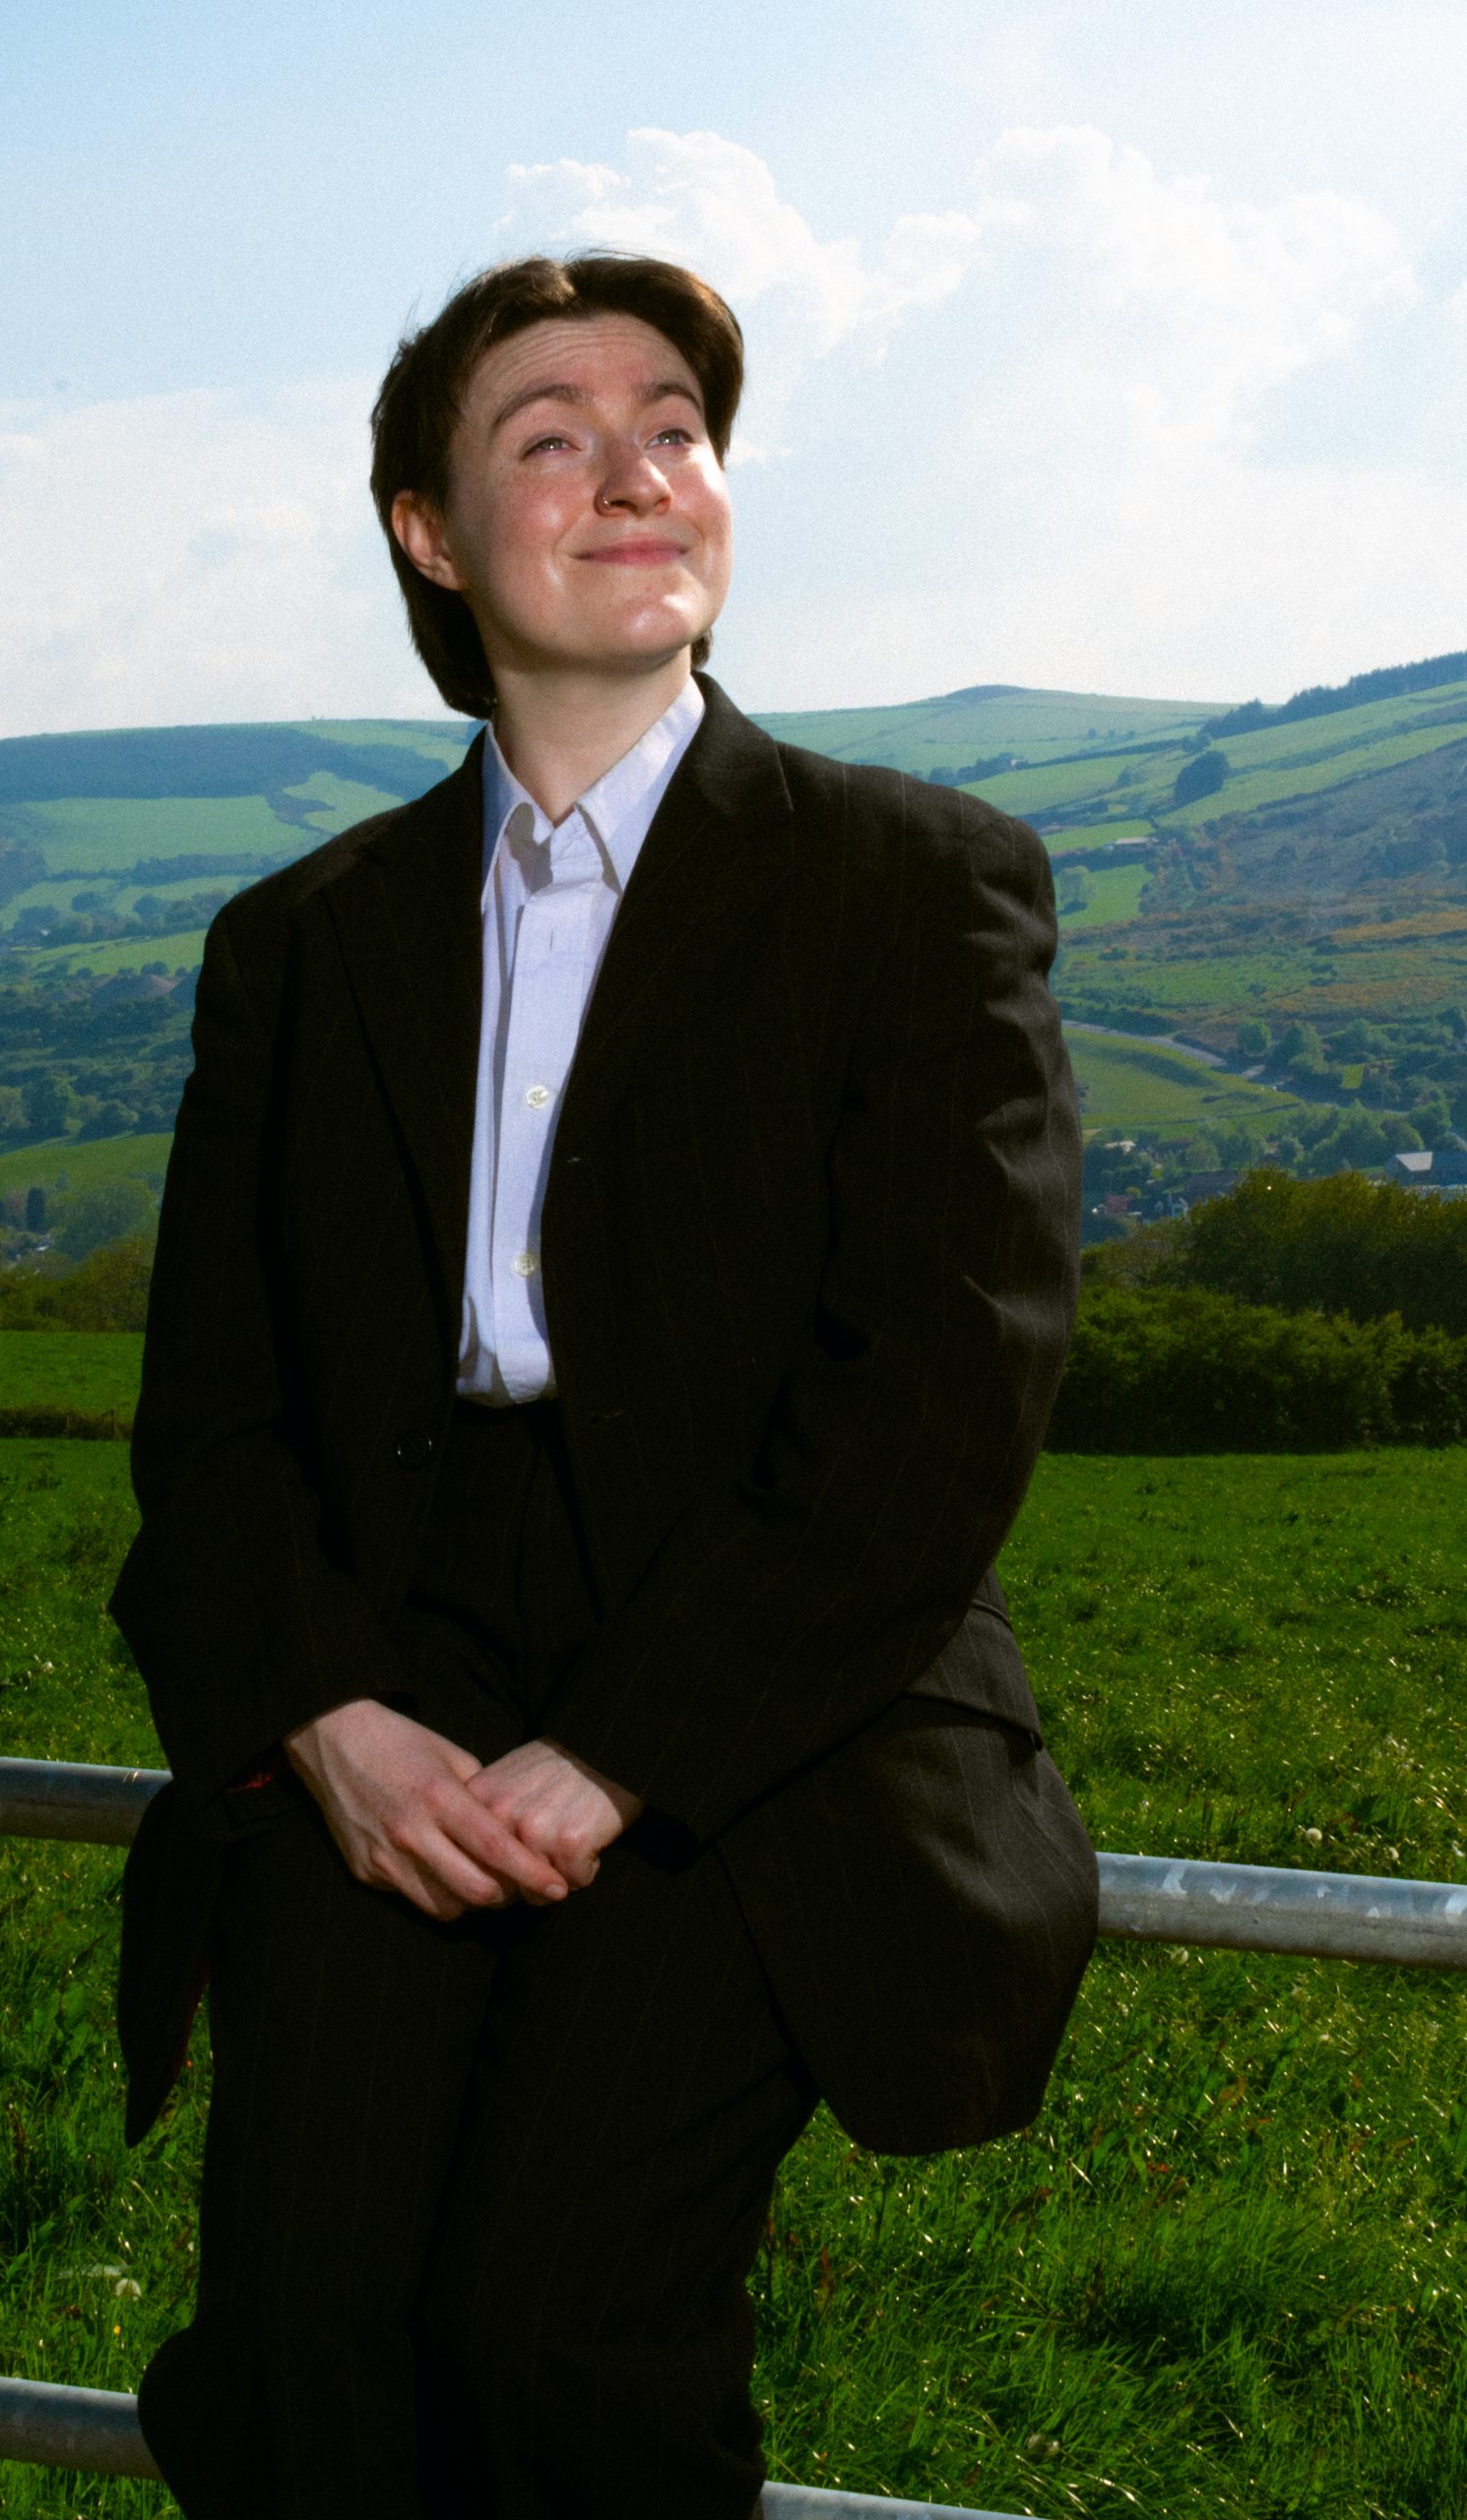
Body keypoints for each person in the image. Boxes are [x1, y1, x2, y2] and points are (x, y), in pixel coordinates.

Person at [109, 249, 1099, 2520]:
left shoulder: (913, 879)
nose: (632, 465)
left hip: (769, 1683)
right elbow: (213, 1411)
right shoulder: (298, 940)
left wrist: (634, 1743)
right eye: (544, 433)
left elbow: (943, 1386)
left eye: (669, 420)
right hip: (396, 1667)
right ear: (430, 538)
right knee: (298, 2344)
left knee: (554, 2340)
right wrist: (323, 1717)